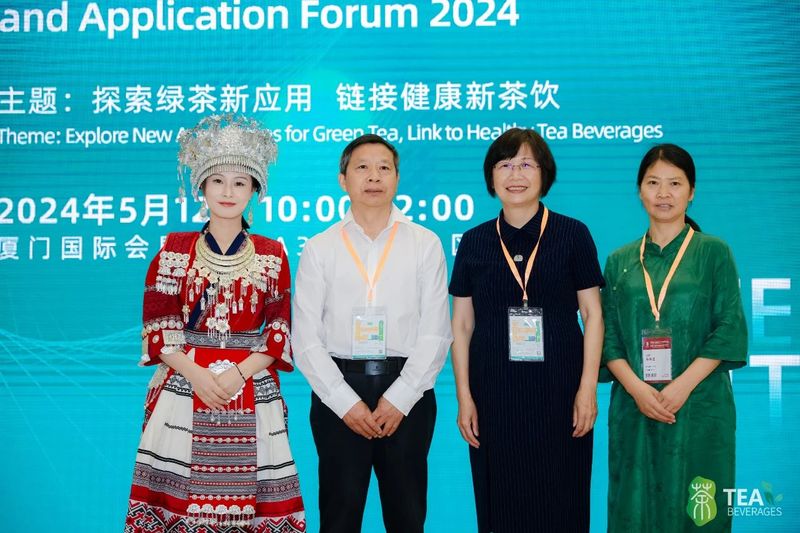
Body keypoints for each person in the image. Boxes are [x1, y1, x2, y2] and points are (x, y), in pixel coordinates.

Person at [125, 114, 305, 532]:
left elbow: (278, 331)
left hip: (251, 385)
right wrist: (197, 375)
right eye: (218, 181)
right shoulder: (175, 248)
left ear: (255, 190)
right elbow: (158, 326)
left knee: (254, 501)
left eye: (240, 182)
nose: (228, 191)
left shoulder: (272, 254)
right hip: (184, 382)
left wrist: (236, 374)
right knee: (178, 504)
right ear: (202, 187)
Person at [291, 134, 452, 533]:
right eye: (362, 167)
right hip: (338, 392)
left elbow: (436, 332)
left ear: (397, 178)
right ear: (343, 179)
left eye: (384, 168)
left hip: (408, 394)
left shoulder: (425, 243)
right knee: (339, 518)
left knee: (407, 518)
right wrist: (345, 403)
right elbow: (306, 339)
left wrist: (400, 399)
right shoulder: (319, 248)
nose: (374, 176)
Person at [449, 128, 605, 532]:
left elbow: (593, 315)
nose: (515, 175)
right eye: (505, 165)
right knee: (501, 500)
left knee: (563, 498)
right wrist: (464, 396)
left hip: (560, 390)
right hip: (494, 392)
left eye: (526, 165)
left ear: (544, 173)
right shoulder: (474, 241)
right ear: (491, 176)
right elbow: (461, 324)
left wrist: (587, 389)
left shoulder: (573, 234)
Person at [601, 143, 747, 532]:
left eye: (675, 183)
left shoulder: (714, 252)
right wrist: (637, 389)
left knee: (700, 511)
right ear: (639, 190)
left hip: (699, 405)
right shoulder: (619, 261)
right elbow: (608, 338)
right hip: (635, 406)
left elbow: (728, 326)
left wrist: (681, 386)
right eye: (653, 183)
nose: (663, 193)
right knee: (634, 509)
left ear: (692, 191)